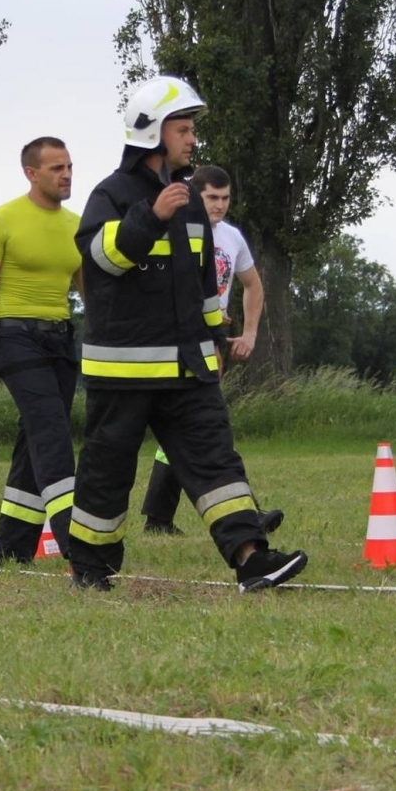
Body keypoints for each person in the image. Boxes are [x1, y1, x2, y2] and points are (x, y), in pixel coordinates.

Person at [66, 75, 307, 592]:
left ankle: (252, 559)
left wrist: (216, 341)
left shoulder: (193, 203)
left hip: (189, 368)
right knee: (107, 472)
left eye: (192, 129)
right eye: (184, 129)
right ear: (152, 131)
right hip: (124, 373)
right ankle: (90, 570)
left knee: (215, 461)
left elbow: (204, 289)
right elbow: (102, 260)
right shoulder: (110, 194)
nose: (193, 139)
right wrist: (151, 217)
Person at [139, 164, 282, 536]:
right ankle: (245, 513)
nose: (219, 205)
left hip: (210, 339)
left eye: (225, 198)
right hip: (178, 341)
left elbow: (253, 285)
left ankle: (159, 518)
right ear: (194, 196)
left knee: (192, 428)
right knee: (206, 427)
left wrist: (249, 333)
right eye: (211, 198)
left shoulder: (232, 237)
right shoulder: (177, 229)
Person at [0, 137, 83, 563]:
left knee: (35, 438)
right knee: (51, 431)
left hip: (61, 338)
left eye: (69, 166)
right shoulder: (0, 221)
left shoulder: (77, 226)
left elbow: (94, 294)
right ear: (31, 173)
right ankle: (76, 543)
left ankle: (12, 548)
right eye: (56, 168)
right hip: (14, 336)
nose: (66, 175)